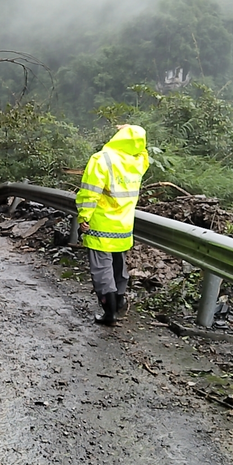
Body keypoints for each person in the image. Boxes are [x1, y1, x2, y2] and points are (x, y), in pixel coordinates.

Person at [75, 125, 150, 325]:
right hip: (124, 227)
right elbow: (143, 151)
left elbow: (90, 193)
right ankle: (119, 302)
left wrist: (84, 217)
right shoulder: (137, 162)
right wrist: (133, 132)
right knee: (118, 265)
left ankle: (109, 313)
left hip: (101, 224)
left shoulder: (101, 159)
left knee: (102, 269)